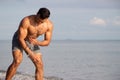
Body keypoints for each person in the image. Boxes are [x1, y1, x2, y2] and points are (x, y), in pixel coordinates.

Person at [5, 7, 53, 80]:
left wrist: (37, 42)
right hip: (19, 38)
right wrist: (30, 53)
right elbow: (21, 39)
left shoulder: (49, 25)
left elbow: (47, 42)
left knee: (39, 64)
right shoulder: (26, 21)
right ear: (37, 14)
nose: (39, 23)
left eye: (42, 22)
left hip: (32, 41)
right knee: (17, 61)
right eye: (38, 20)